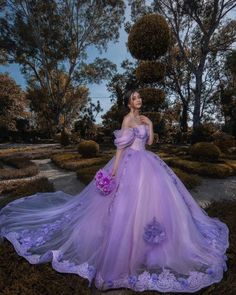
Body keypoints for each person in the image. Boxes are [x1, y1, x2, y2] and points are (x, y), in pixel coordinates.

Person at [0, 89, 229, 293]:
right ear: (129, 102)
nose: (138, 100)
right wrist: (113, 172)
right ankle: (122, 251)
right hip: (131, 163)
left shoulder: (142, 118)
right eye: (134, 98)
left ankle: (148, 244)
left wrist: (150, 125)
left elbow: (149, 143)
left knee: (153, 204)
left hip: (147, 162)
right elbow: (120, 148)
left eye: (139, 97)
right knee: (125, 207)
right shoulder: (128, 119)